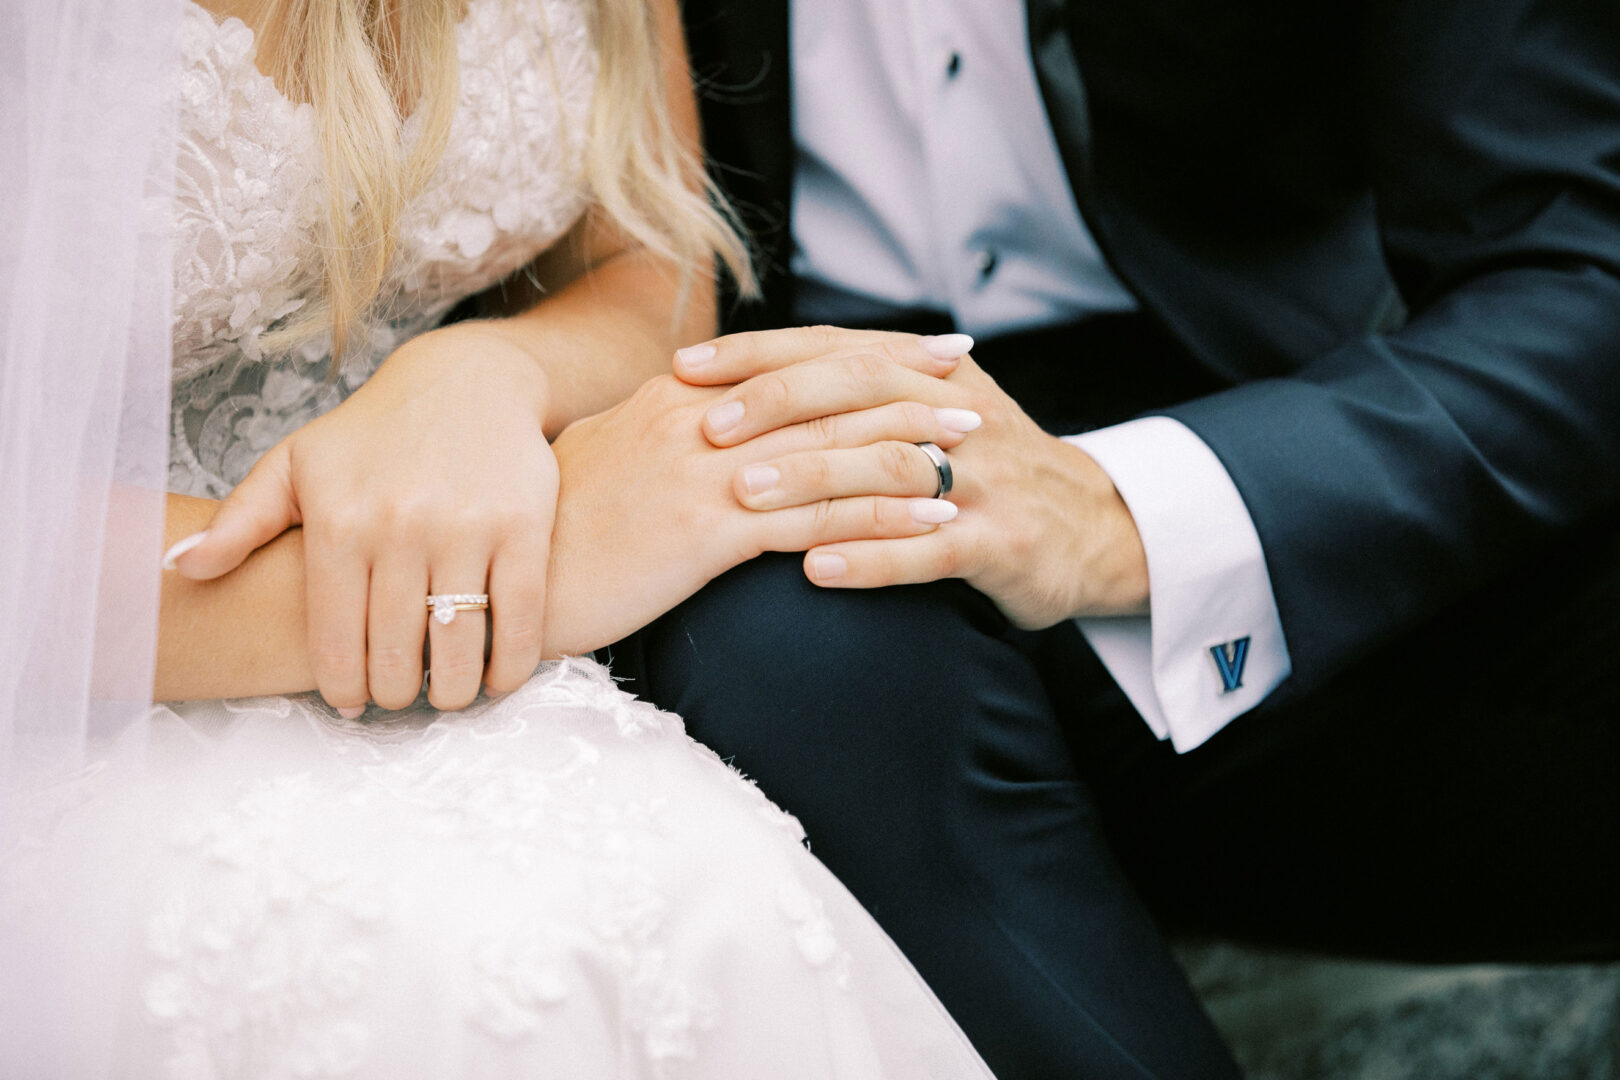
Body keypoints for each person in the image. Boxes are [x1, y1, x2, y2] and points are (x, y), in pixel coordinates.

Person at [611, 0, 1620, 1076]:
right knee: (793, 653)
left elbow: (1579, 275)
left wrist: (1123, 511)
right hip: (799, 475)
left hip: (1281, 424)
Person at [0, 0, 998, 1075]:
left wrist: (482, 373)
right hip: (81, 679)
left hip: (472, 646)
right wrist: (489, 589)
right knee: (461, 958)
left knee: (689, 893)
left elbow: (650, 260)